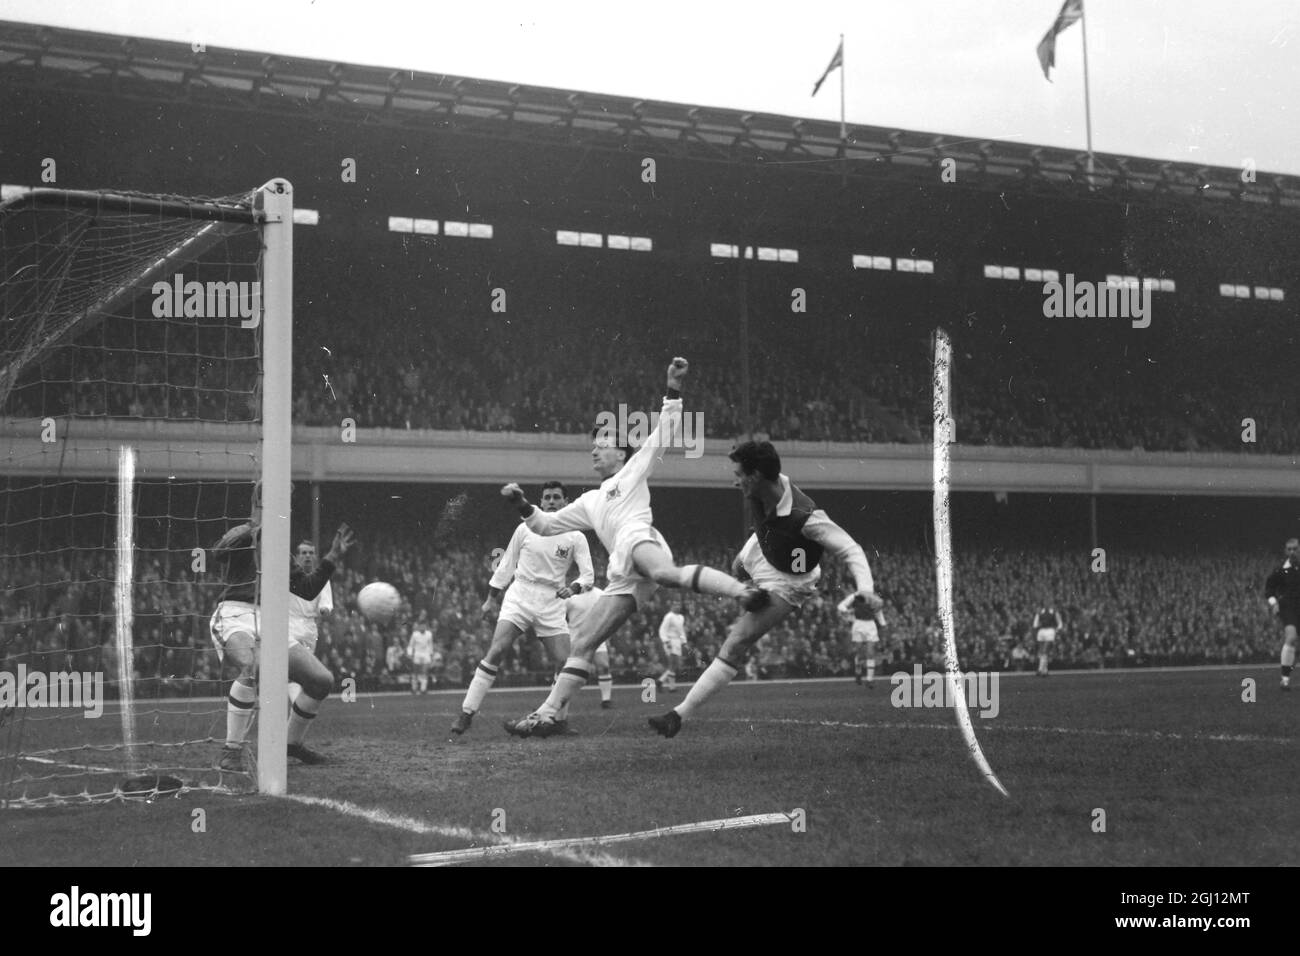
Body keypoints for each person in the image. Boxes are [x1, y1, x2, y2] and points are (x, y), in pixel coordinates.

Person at [501, 358, 770, 738]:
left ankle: (742, 591)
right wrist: (520, 505)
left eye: (603, 445)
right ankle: (547, 716)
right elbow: (545, 525)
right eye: (593, 446)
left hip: (639, 540)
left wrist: (672, 389)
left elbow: (664, 431)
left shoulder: (633, 469)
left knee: (663, 573)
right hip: (623, 571)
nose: (595, 451)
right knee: (583, 642)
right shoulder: (589, 501)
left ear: (622, 454)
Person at [647, 440, 881, 738]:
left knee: (737, 641)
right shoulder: (760, 493)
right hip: (765, 546)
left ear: (755, 476)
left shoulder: (806, 516)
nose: (735, 480)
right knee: (734, 569)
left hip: (790, 580)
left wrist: (866, 588)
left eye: (739, 474)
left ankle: (677, 715)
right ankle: (750, 594)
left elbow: (851, 549)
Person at [209, 497, 354, 771]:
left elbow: (308, 589)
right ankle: (231, 750)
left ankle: (292, 744)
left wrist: (332, 557)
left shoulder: (281, 553)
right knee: (254, 667)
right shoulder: (243, 534)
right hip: (235, 614)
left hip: (273, 621)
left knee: (321, 680)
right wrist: (255, 528)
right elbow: (218, 551)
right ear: (257, 506)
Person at [450, 481, 593, 736]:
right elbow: (506, 564)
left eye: (556, 497)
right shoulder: (525, 528)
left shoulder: (576, 536)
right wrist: (491, 599)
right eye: (547, 497)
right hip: (521, 594)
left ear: (565, 502)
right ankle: (467, 712)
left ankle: (558, 720)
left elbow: (588, 575)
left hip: (552, 600)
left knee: (564, 663)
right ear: (541, 499)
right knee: (497, 650)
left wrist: (573, 588)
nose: (550, 501)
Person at [287, 540, 333, 706]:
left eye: (311, 553)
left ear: (315, 556)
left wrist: (324, 610)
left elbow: (326, 605)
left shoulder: (322, 580)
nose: (307, 556)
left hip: (309, 629)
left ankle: (297, 705)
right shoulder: (288, 575)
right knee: (290, 672)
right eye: (303, 553)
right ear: (296, 557)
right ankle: (295, 704)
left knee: (305, 674)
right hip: (288, 626)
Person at [1266, 537, 1300, 690]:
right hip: (1288, 607)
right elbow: (1269, 589)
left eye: (1295, 548)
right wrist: (1273, 603)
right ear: (1285, 551)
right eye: (1289, 549)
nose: (1292, 552)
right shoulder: (1280, 570)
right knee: (1291, 637)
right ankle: (1285, 680)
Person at [838, 588, 886, 686]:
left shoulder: (874, 598)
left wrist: (883, 623)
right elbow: (841, 606)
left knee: (870, 652)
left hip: (870, 625)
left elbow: (878, 612)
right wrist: (849, 611)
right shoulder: (855, 596)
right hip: (859, 624)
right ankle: (858, 672)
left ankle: (869, 679)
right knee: (859, 652)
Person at [657, 601, 686, 692]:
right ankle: (671, 687)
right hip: (670, 640)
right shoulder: (669, 616)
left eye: (679, 605)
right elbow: (662, 629)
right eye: (675, 605)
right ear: (671, 606)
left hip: (677, 641)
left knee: (675, 665)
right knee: (673, 662)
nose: (678, 607)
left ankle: (660, 681)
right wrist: (666, 641)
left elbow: (681, 630)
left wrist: (684, 641)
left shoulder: (681, 617)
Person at [407, 611, 436, 694]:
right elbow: (410, 645)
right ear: (419, 626)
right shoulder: (414, 634)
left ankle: (423, 689)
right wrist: (410, 654)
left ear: (426, 626)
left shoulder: (429, 634)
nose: (422, 627)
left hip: (426, 654)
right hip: (417, 654)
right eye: (421, 625)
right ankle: (414, 688)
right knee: (415, 672)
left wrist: (431, 654)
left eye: (424, 625)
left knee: (424, 672)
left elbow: (430, 645)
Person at [1032, 606, 1061, 677]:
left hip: (1050, 631)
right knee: (1042, 652)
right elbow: (1035, 624)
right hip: (1041, 631)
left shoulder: (1054, 611)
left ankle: (1040, 669)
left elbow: (1060, 623)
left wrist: (1056, 630)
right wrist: (1037, 626)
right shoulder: (1039, 611)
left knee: (1045, 651)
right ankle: (1045, 671)